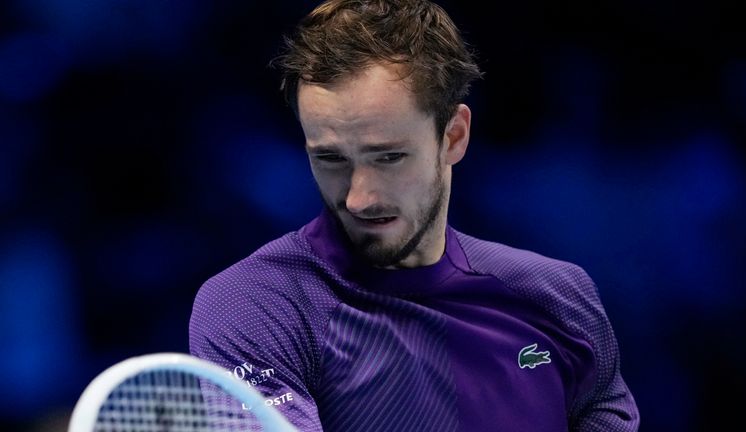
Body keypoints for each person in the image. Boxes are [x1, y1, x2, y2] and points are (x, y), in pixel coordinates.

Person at [189, 0, 640, 430]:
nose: (358, 199)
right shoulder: (251, 306)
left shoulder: (558, 297)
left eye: (388, 157)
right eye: (330, 159)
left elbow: (602, 405)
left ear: (454, 136)